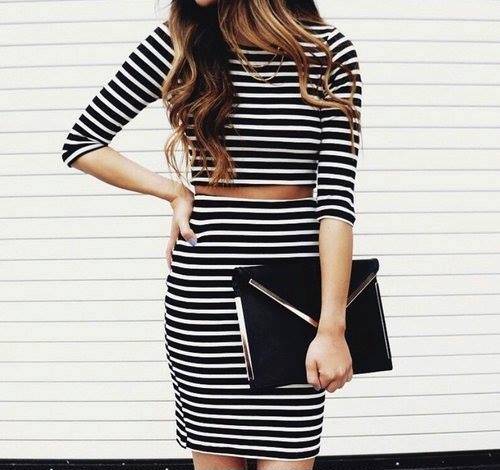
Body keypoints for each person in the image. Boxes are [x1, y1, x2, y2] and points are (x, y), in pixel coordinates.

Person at [61, 0, 362, 468]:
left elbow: (337, 203)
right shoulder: (180, 44)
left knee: (292, 447)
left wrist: (332, 327)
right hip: (204, 301)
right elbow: (83, 143)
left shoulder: (326, 52)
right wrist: (174, 191)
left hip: (291, 302)